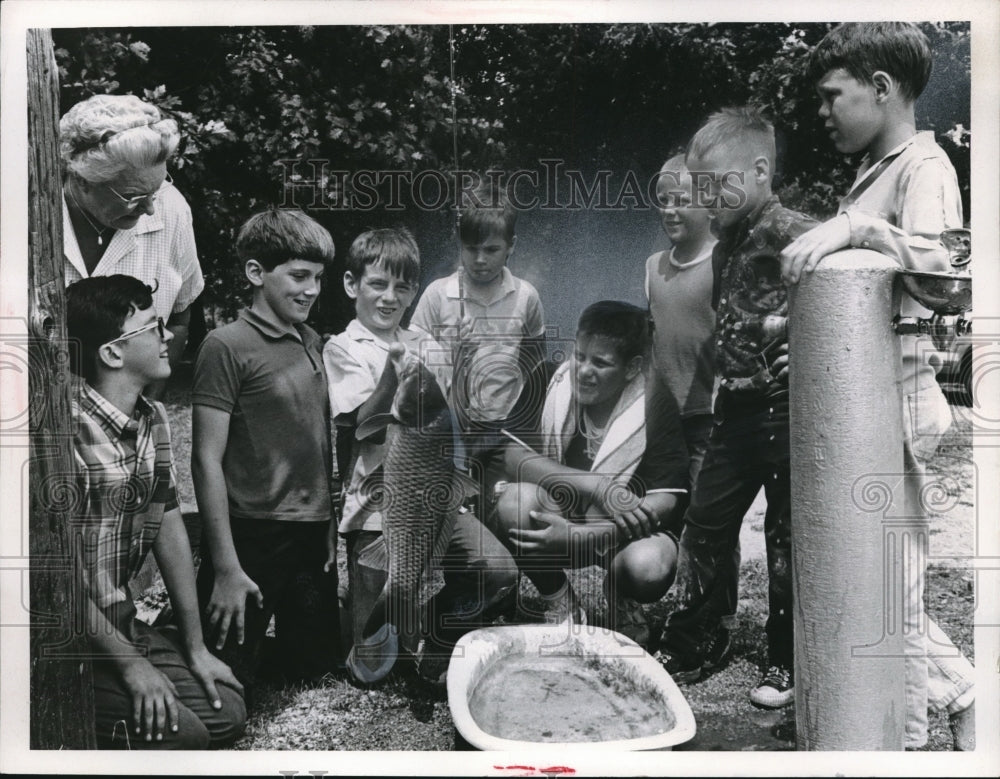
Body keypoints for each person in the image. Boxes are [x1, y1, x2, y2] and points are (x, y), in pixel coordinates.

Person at [780, 21, 975, 751]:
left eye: (833, 95)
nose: (823, 111)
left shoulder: (925, 167)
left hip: (899, 405)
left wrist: (861, 229)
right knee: (865, 570)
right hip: (862, 402)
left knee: (891, 582)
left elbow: (947, 280)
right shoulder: (877, 168)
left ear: (883, 88)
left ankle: (921, 731)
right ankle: (954, 698)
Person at [658, 107, 817, 709]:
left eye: (713, 185)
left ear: (757, 171)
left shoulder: (795, 229)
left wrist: (793, 330)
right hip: (734, 409)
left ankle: (787, 656)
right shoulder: (726, 243)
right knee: (705, 523)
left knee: (784, 536)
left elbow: (846, 291)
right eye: (697, 188)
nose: (704, 199)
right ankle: (694, 639)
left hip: (783, 409)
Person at [323, 227, 518, 685]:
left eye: (403, 286)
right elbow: (363, 430)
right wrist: (394, 377)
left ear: (413, 290)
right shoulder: (342, 346)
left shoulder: (427, 343)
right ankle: (377, 614)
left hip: (433, 503)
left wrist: (464, 363)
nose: (391, 298)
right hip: (375, 515)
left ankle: (438, 634)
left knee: (499, 569)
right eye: (378, 284)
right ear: (352, 285)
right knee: (374, 669)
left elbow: (454, 423)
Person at [65, 274, 245, 749]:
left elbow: (167, 523)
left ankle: (154, 664)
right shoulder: (63, 436)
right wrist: (130, 665)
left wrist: (196, 646)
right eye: (152, 326)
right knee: (184, 737)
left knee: (227, 713)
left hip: (117, 616)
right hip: (67, 631)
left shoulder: (153, 418)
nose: (168, 335)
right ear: (112, 353)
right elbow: (57, 578)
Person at [192, 209, 340, 694]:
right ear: (257, 273)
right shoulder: (225, 345)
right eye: (299, 276)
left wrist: (328, 525)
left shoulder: (312, 340)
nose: (313, 289)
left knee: (316, 668)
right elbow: (205, 459)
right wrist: (228, 568)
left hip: (309, 532)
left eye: (318, 277)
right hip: (251, 534)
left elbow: (316, 443)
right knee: (225, 679)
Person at [491, 301, 689, 648]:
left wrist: (586, 537)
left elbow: (666, 501)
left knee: (650, 566)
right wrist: (595, 485)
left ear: (632, 368)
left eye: (600, 362)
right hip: (561, 516)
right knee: (513, 502)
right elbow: (513, 457)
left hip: (621, 533)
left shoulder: (654, 401)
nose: (582, 370)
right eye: (579, 355)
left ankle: (622, 596)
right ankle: (562, 602)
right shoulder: (550, 379)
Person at [646, 154, 742, 652]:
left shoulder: (722, 263)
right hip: (665, 420)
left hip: (710, 414)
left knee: (710, 520)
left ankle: (716, 619)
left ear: (707, 204)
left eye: (682, 200)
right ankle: (674, 600)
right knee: (670, 512)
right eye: (663, 199)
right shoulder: (652, 268)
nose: (670, 209)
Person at [410, 183, 547, 509]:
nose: (480, 259)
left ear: (511, 246)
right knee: (448, 511)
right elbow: (411, 365)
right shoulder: (437, 294)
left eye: (491, 249)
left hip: (504, 430)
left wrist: (521, 415)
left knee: (501, 508)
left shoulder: (526, 296)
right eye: (471, 249)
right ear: (459, 244)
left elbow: (536, 359)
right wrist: (449, 353)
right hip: (447, 427)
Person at [59, 94, 205, 383]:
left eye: (156, 189)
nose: (150, 208)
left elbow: (179, 318)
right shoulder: (24, 216)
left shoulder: (171, 209)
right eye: (133, 196)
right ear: (83, 180)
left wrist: (143, 412)